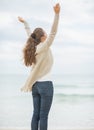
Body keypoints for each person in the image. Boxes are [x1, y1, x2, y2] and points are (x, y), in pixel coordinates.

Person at [18, 3, 60, 130]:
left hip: (35, 86)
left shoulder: (33, 47)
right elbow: (54, 31)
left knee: (36, 114)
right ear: (42, 37)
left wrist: (25, 23)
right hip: (46, 85)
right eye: (45, 34)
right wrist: (57, 14)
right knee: (43, 116)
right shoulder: (45, 45)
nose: (47, 35)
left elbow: (30, 34)